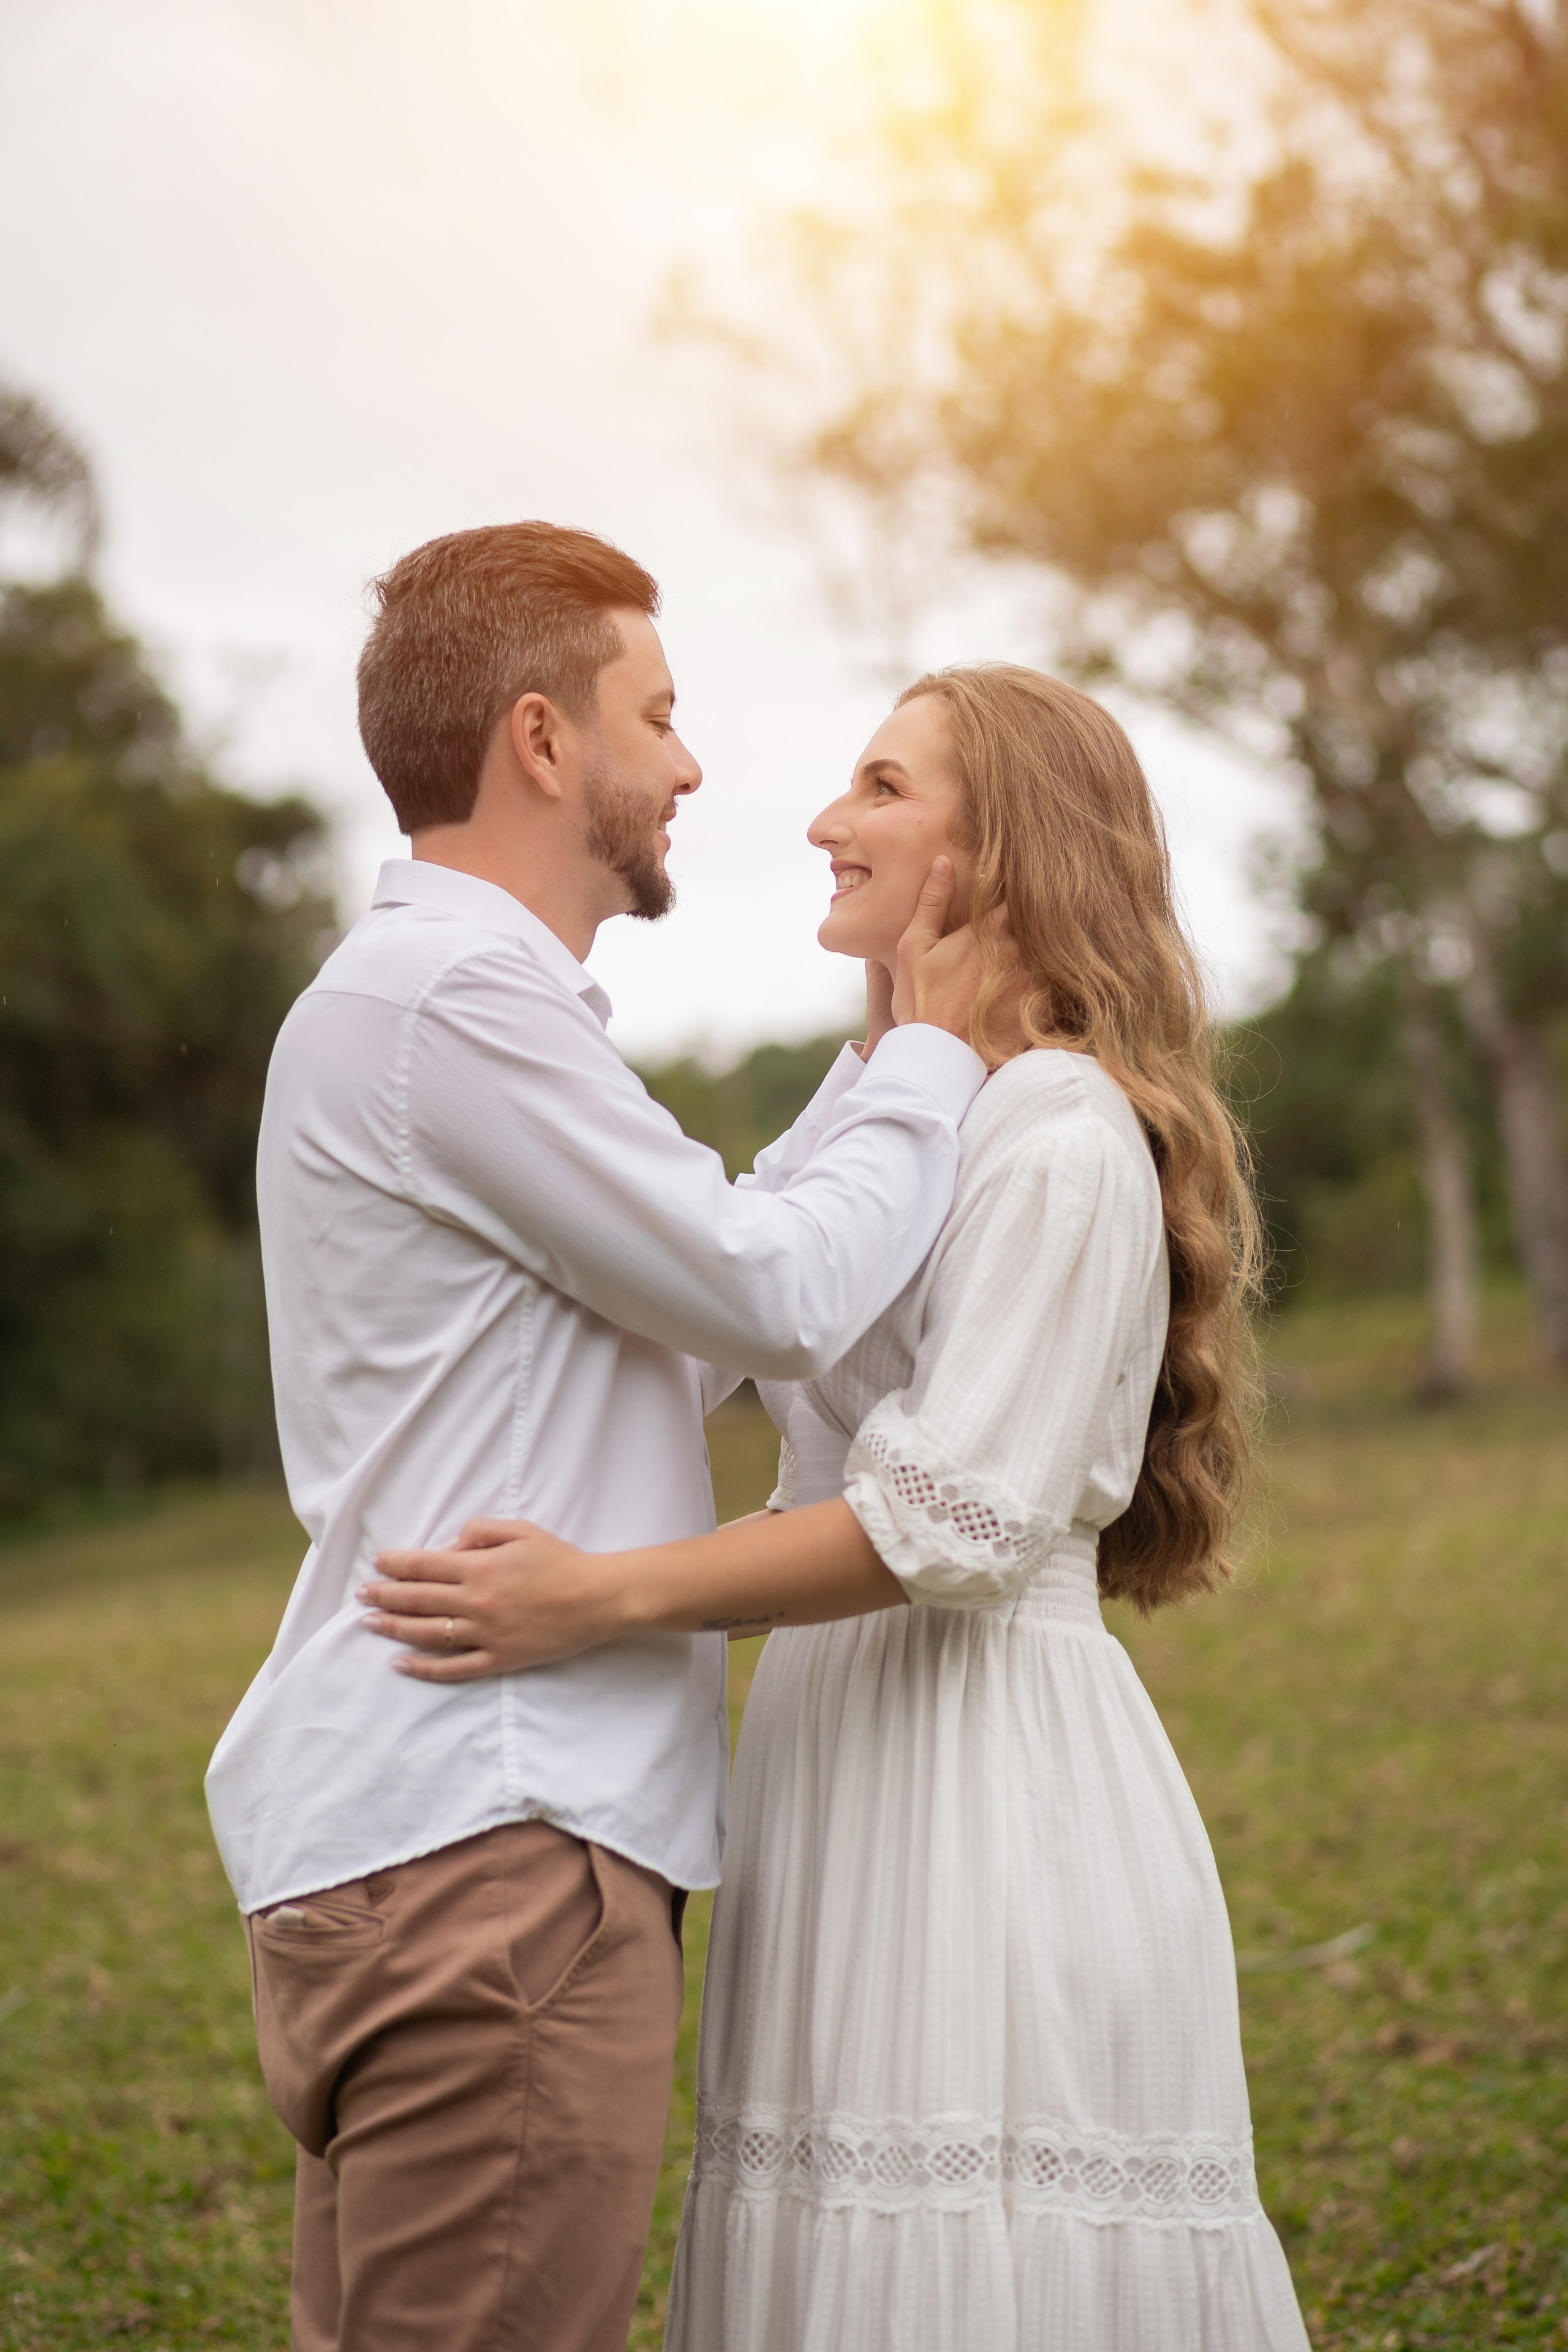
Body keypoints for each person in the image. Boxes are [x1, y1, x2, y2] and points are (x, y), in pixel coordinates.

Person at [363, 664, 1313, 2350]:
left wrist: (601, 1597)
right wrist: (897, 1049)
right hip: (834, 1745)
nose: (821, 820)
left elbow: (941, 1523)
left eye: (880, 787)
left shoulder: (1057, 1135)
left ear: (1002, 848)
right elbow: (728, 1306)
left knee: (964, 2248)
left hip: (980, 1768)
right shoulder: (917, 1101)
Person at [204, 521, 998, 2352]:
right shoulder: (452, 1006)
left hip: (428, 1839)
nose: (698, 765)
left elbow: (689, 1307)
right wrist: (944, 1060)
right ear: (545, 743)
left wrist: (882, 1058)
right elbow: (777, 1292)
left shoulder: (434, 1009)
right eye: (661, 712)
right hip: (498, 1848)